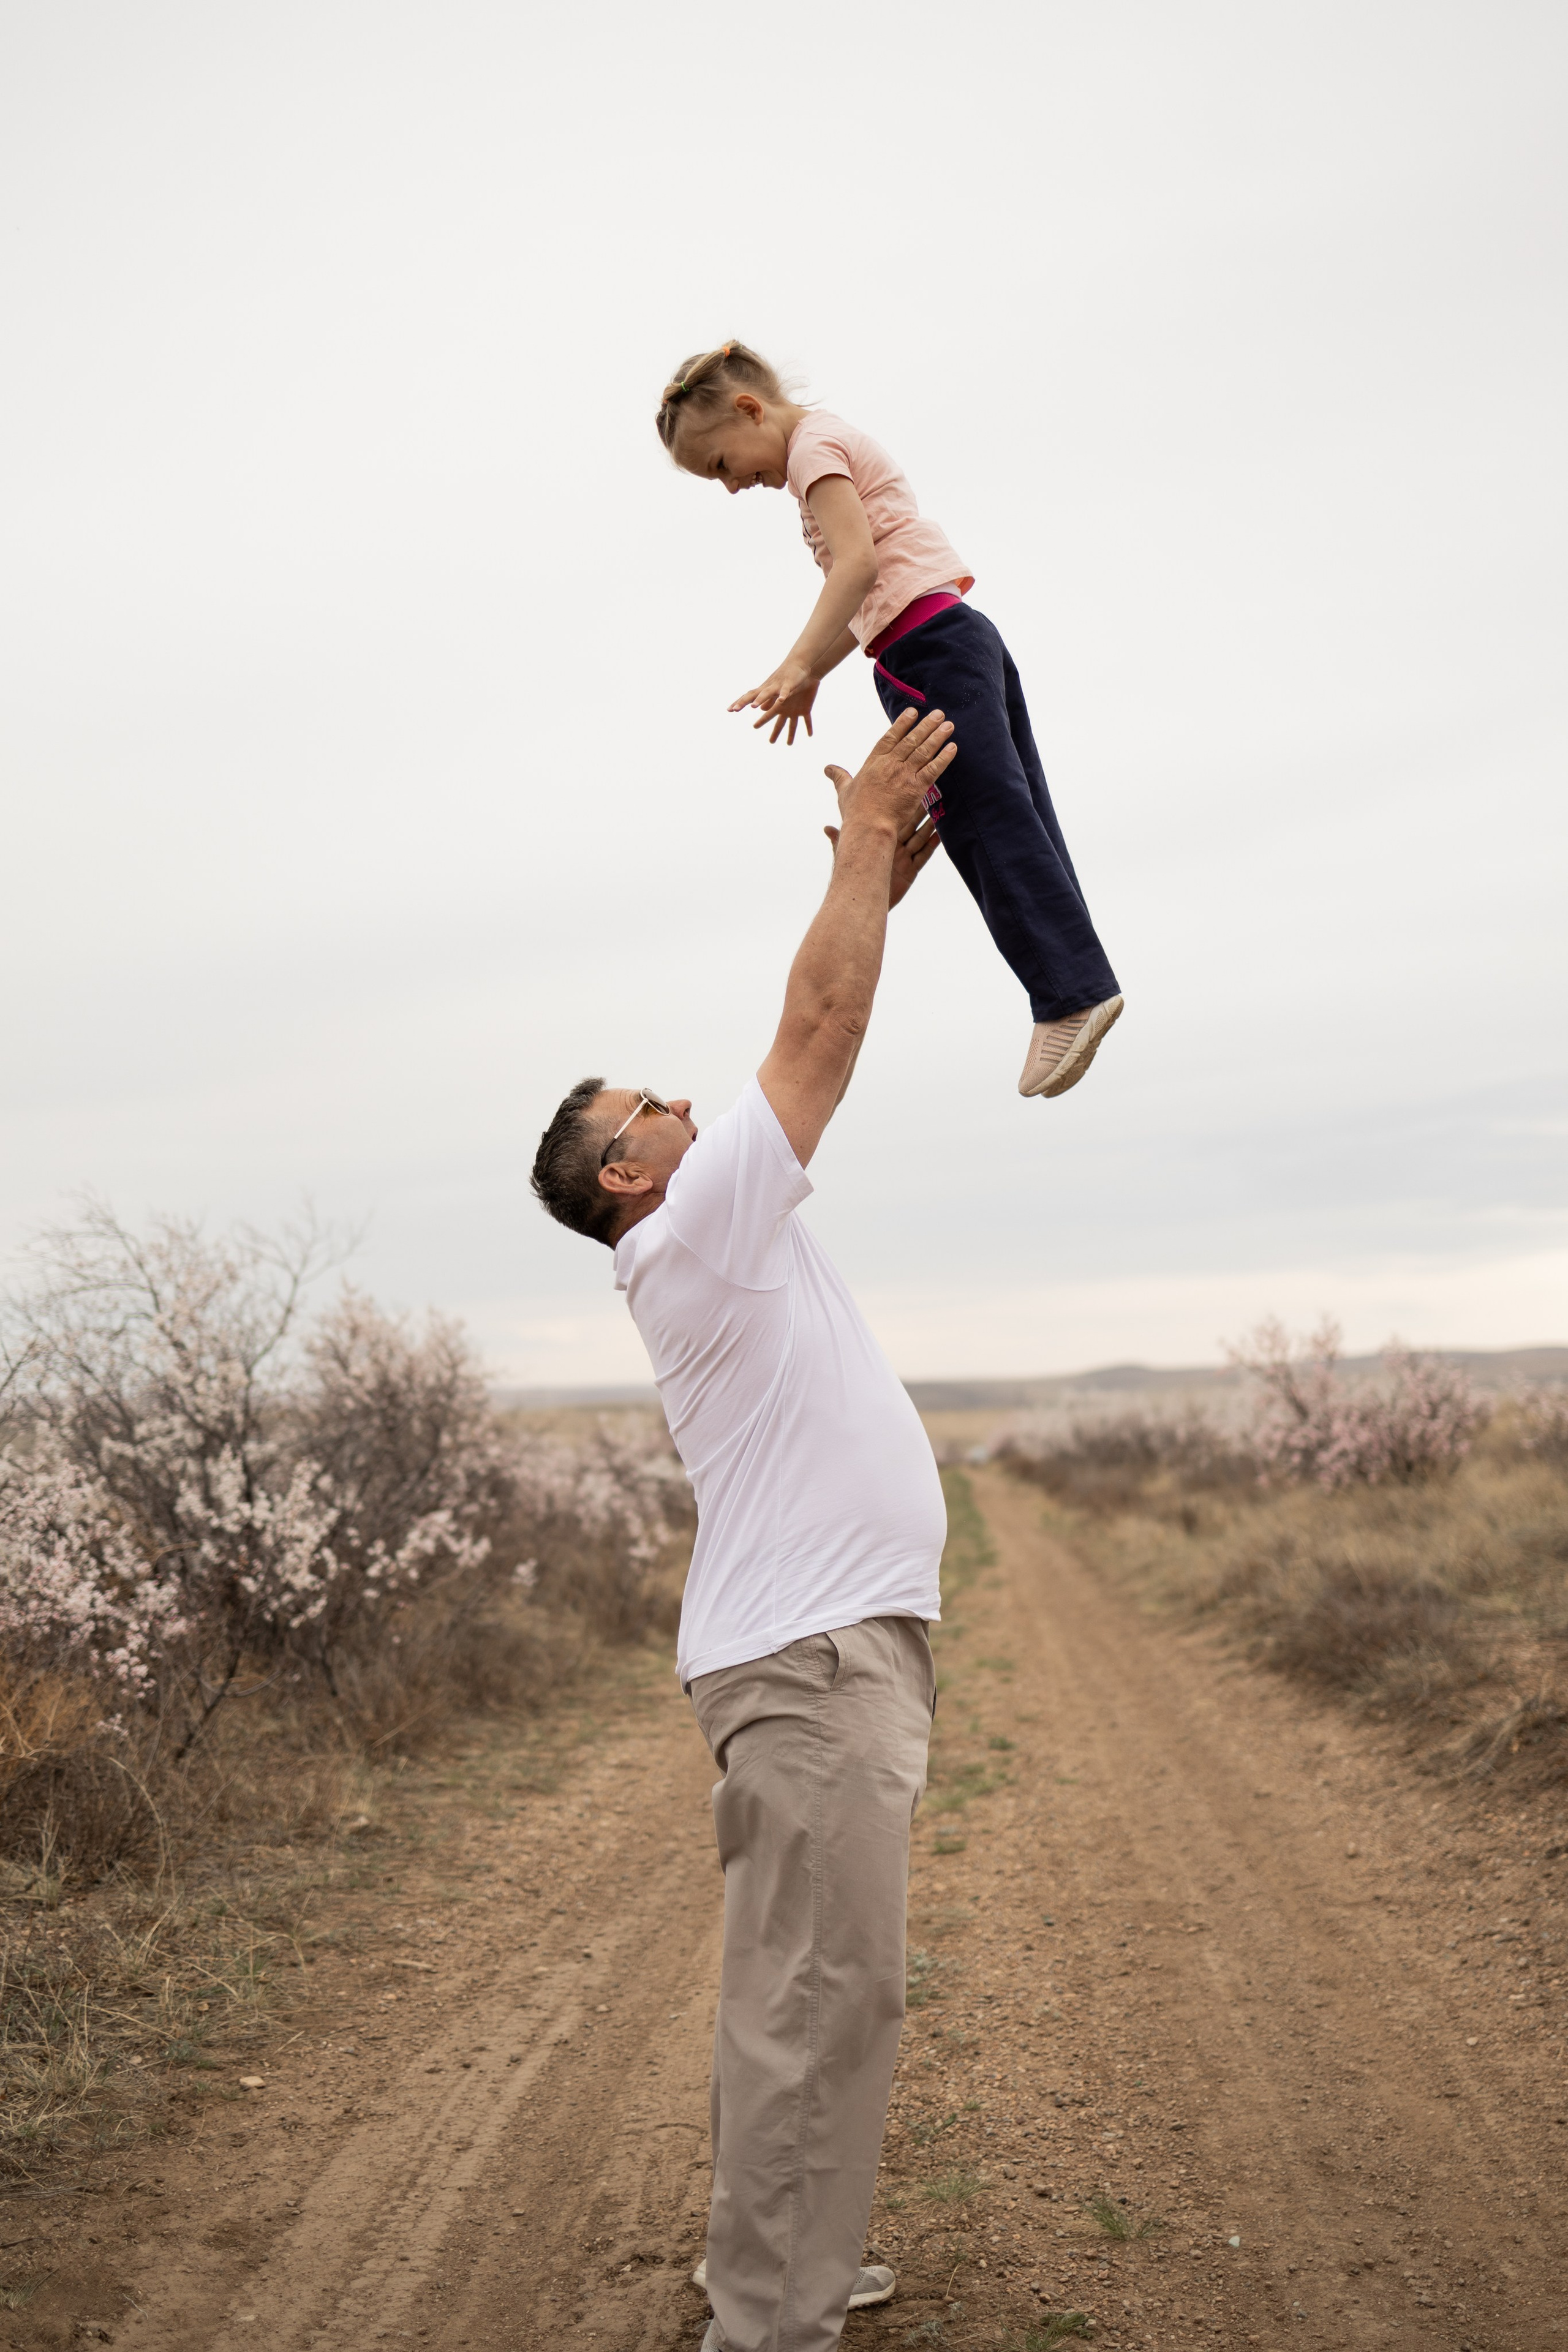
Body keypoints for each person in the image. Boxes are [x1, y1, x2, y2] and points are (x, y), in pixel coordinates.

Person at [530, 708, 958, 2352]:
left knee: (817, 1992)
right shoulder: (694, 1231)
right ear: (627, 1177)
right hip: (810, 1662)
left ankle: (788, 2262)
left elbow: (825, 1002)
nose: (697, 1107)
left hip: (829, 1651)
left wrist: (884, 877)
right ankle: (768, 2321)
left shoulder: (710, 1220)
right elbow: (818, 1024)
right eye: (659, 1106)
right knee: (819, 1997)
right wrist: (864, 835)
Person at [654, 339, 1125, 1102]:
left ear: (749, 410)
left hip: (928, 652)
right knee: (1018, 812)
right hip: (952, 633)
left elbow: (857, 567)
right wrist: (817, 673)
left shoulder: (811, 451)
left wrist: (795, 663)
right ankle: (1077, 980)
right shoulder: (825, 442)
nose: (732, 486)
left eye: (720, 465)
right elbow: (872, 589)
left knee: (980, 824)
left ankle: (1067, 993)